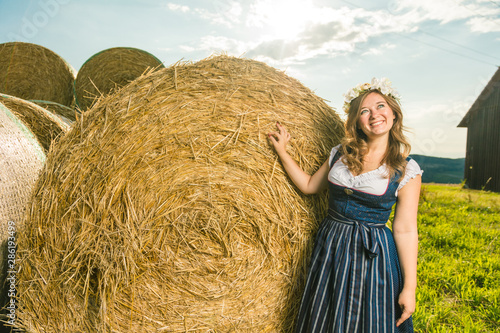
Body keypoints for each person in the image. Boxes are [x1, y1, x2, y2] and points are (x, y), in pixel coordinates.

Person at [268, 78, 422, 332]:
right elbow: (309, 186)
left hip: (374, 254)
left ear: (393, 113)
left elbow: (405, 230)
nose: (374, 115)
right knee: (324, 314)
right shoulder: (340, 153)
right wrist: (283, 152)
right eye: (364, 111)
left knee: (371, 318)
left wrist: (409, 288)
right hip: (332, 245)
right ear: (357, 121)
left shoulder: (407, 170)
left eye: (381, 106)